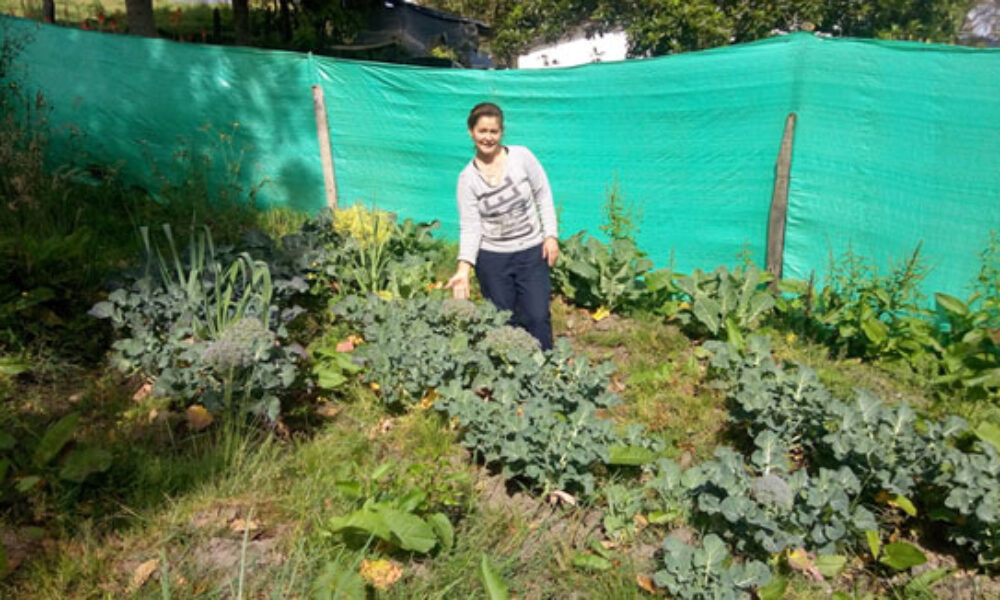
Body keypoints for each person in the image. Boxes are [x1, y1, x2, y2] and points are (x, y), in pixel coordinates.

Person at [445, 102, 559, 350]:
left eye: (493, 131)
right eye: (482, 131)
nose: (488, 137)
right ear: (471, 132)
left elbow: (543, 195)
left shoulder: (522, 157)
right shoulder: (467, 179)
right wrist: (464, 270)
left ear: (501, 132)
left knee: (537, 316)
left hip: (530, 251)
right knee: (504, 321)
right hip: (493, 259)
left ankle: (547, 372)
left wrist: (550, 235)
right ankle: (511, 379)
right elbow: (470, 227)